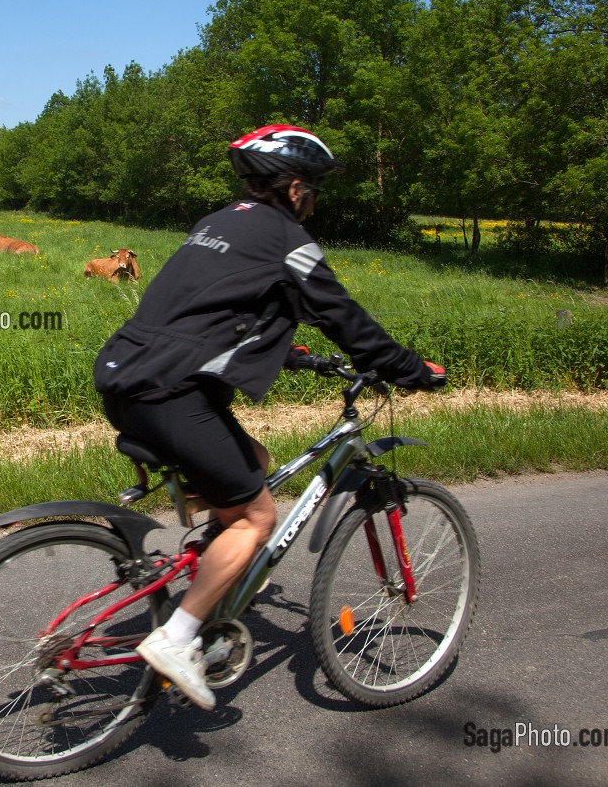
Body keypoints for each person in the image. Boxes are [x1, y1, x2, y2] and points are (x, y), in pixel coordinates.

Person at [92, 124, 445, 710]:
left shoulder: (216, 224)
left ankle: (212, 574)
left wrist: (291, 354)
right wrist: (409, 368)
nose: (315, 202)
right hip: (171, 393)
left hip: (125, 372)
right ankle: (177, 639)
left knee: (254, 460)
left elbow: (209, 308)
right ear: (297, 187)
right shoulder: (286, 237)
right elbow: (343, 316)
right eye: (316, 191)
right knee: (256, 517)